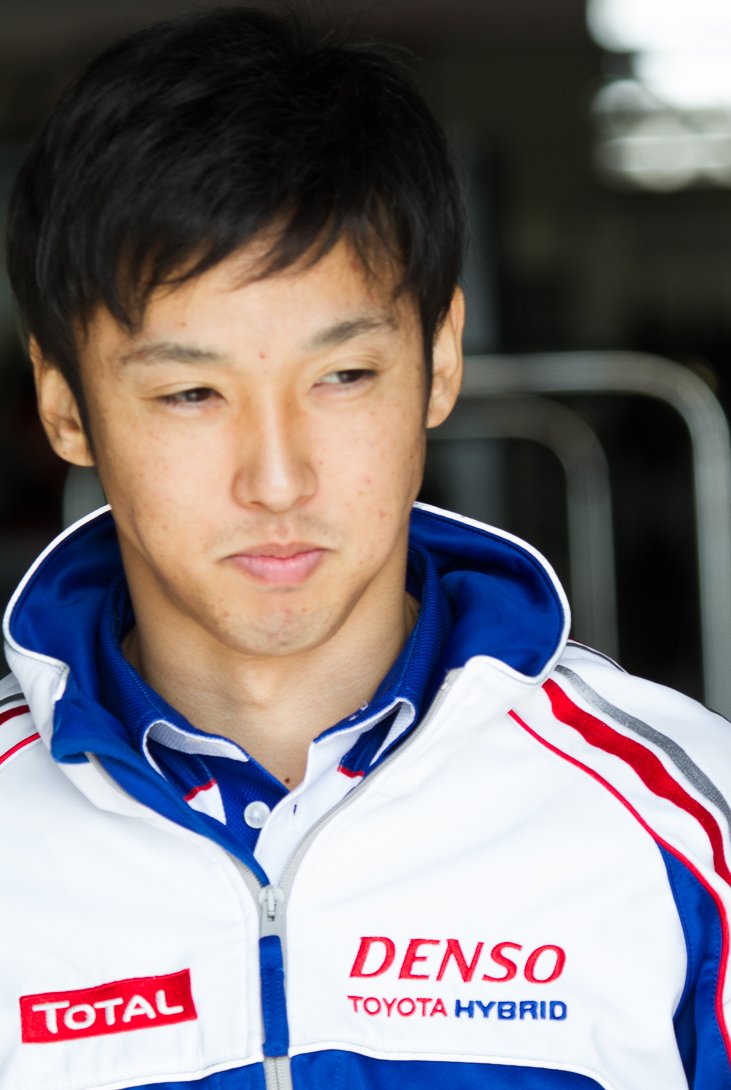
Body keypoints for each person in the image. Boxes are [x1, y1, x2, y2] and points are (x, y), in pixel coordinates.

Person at [2, 7, 730, 1089]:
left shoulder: (683, 824)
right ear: (65, 404)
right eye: (191, 392)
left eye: (342, 377)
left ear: (440, 360)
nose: (277, 480)